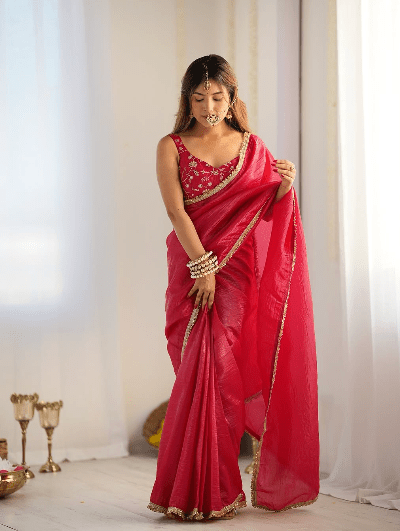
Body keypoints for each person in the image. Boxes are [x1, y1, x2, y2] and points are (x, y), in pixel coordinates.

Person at [147, 54, 320, 521]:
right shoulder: (171, 146)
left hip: (236, 274)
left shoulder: (252, 146)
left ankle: (217, 488)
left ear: (232, 98)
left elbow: (264, 210)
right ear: (187, 101)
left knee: (223, 369)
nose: (209, 107)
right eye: (199, 98)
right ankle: (190, 489)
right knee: (196, 368)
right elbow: (176, 211)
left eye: (217, 97)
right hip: (191, 269)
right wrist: (202, 266)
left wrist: (284, 187)